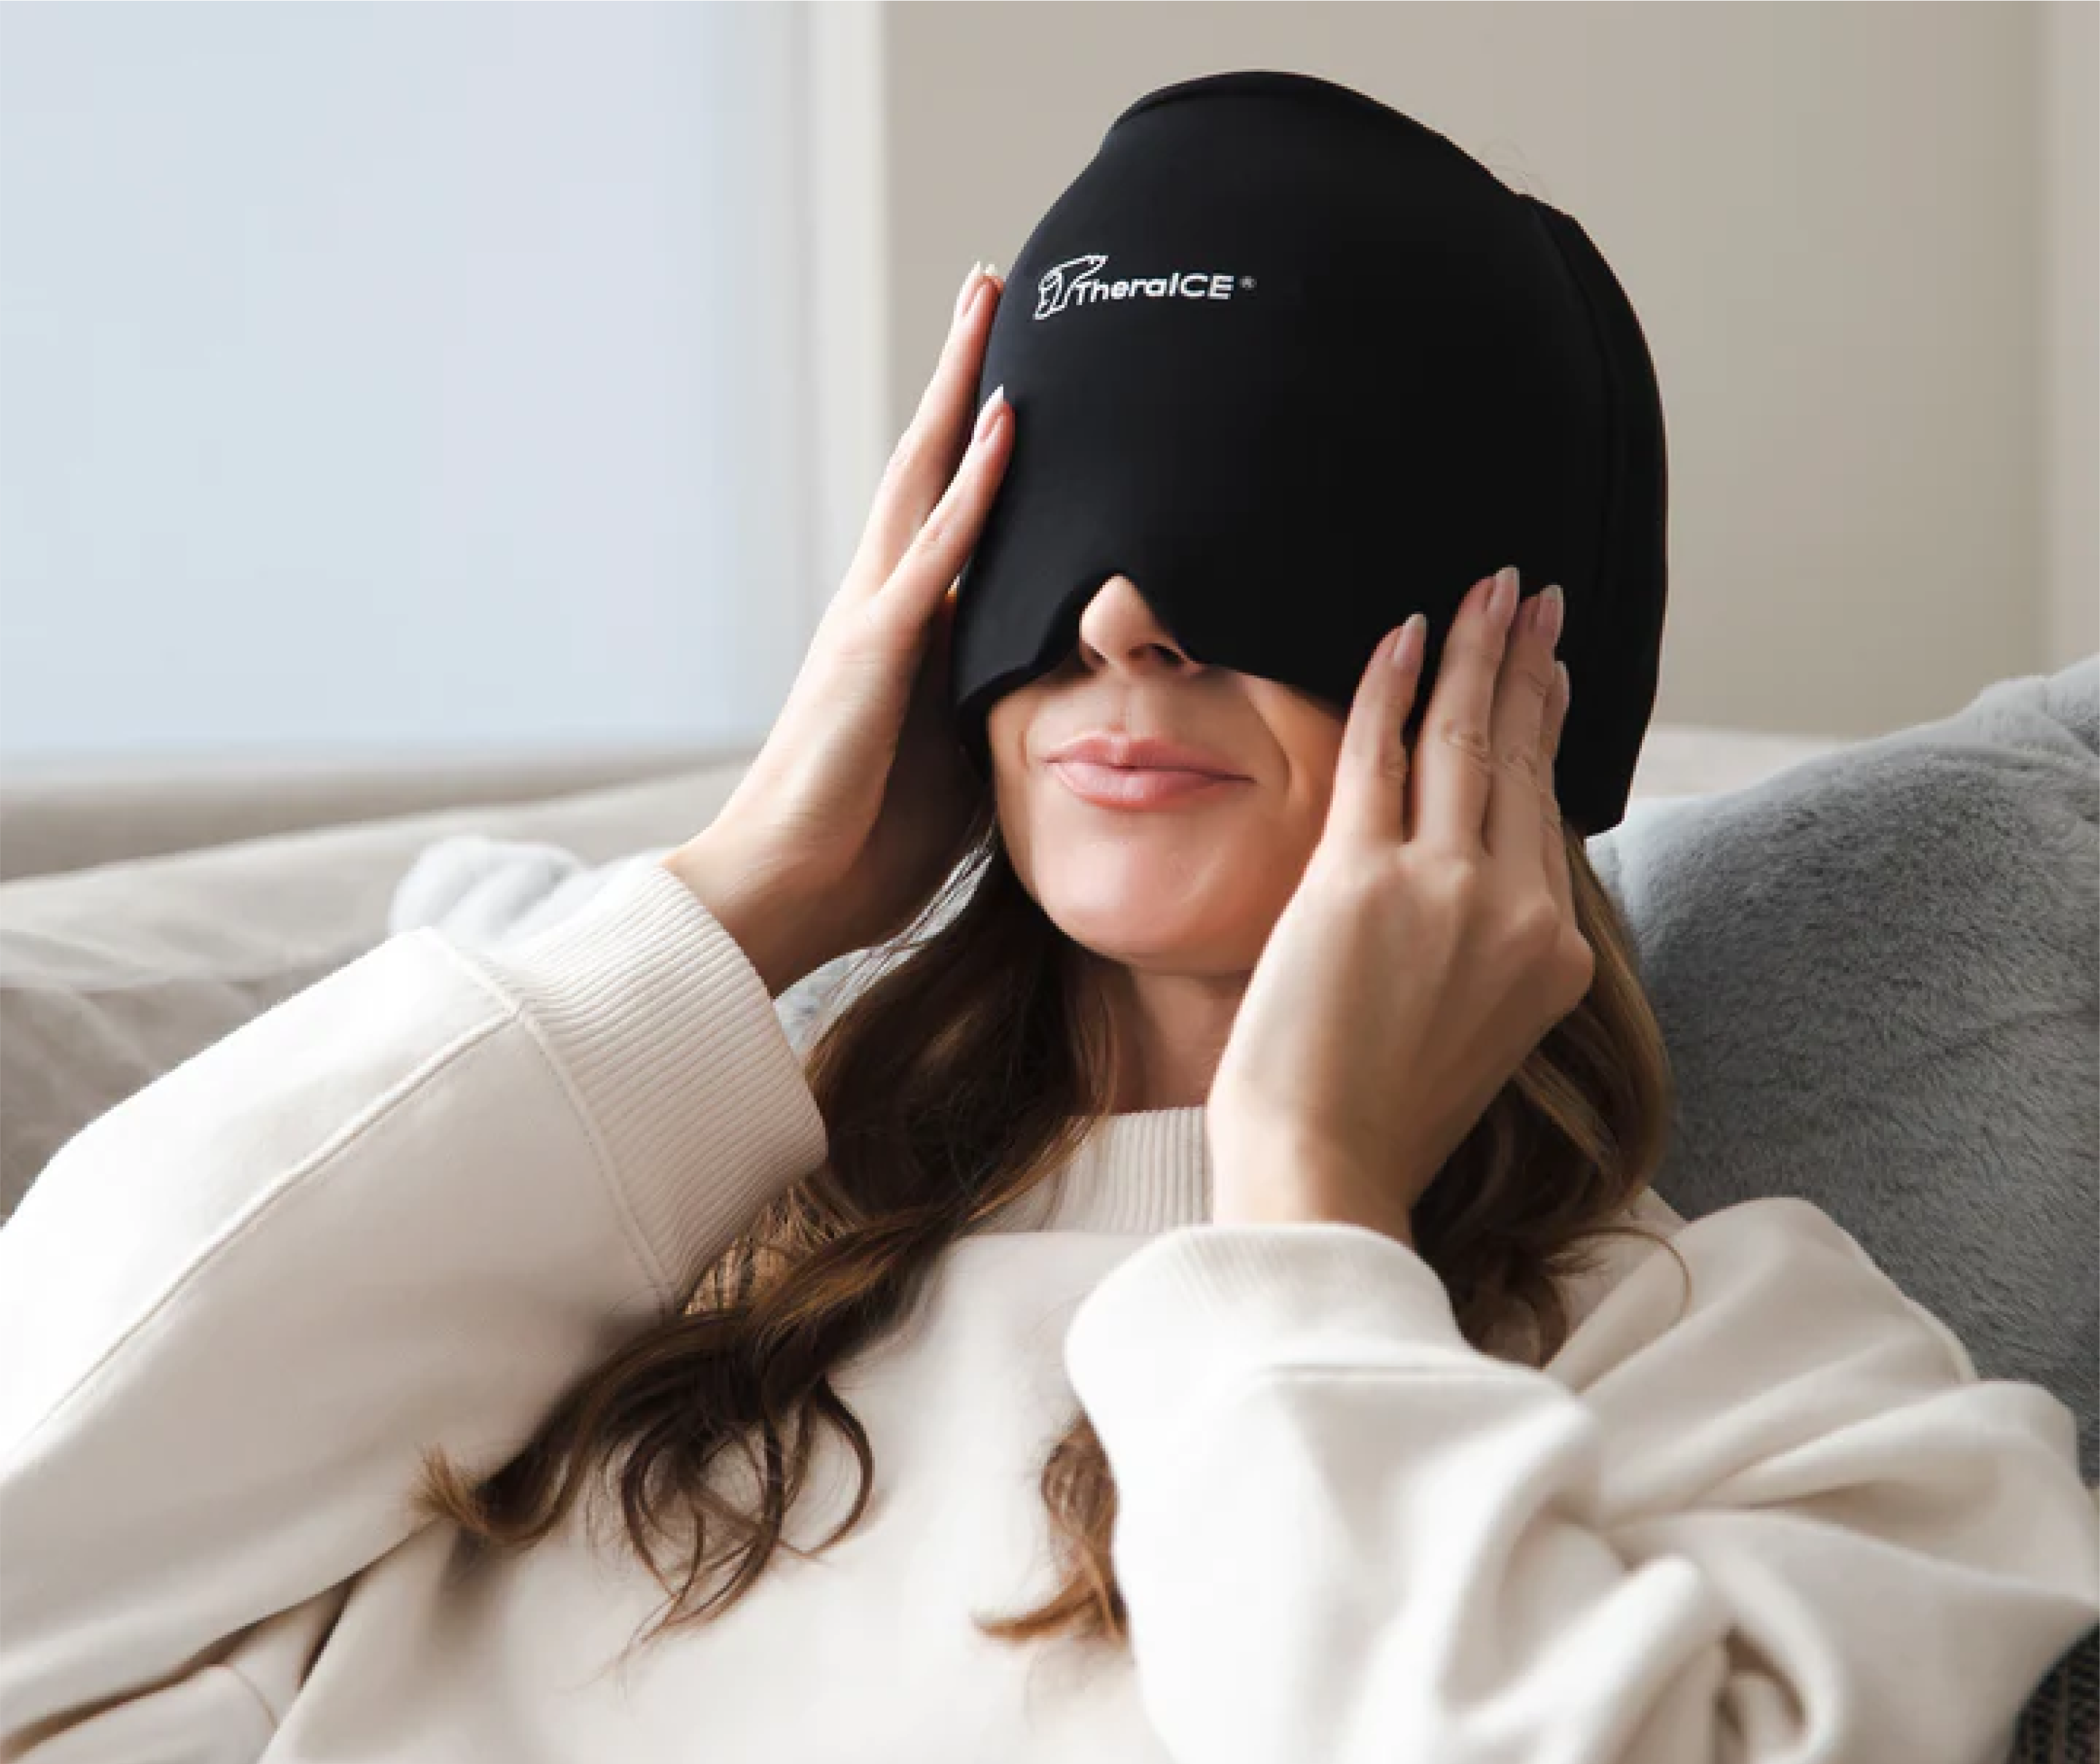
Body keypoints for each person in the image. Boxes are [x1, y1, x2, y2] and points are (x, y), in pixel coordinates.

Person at [1, 257, 2097, 1764]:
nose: (1118, 605)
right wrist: (735, 906)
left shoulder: (1782, 1396)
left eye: (1282, 498)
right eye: (1060, 509)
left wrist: (1304, 1220)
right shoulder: (611, 1255)